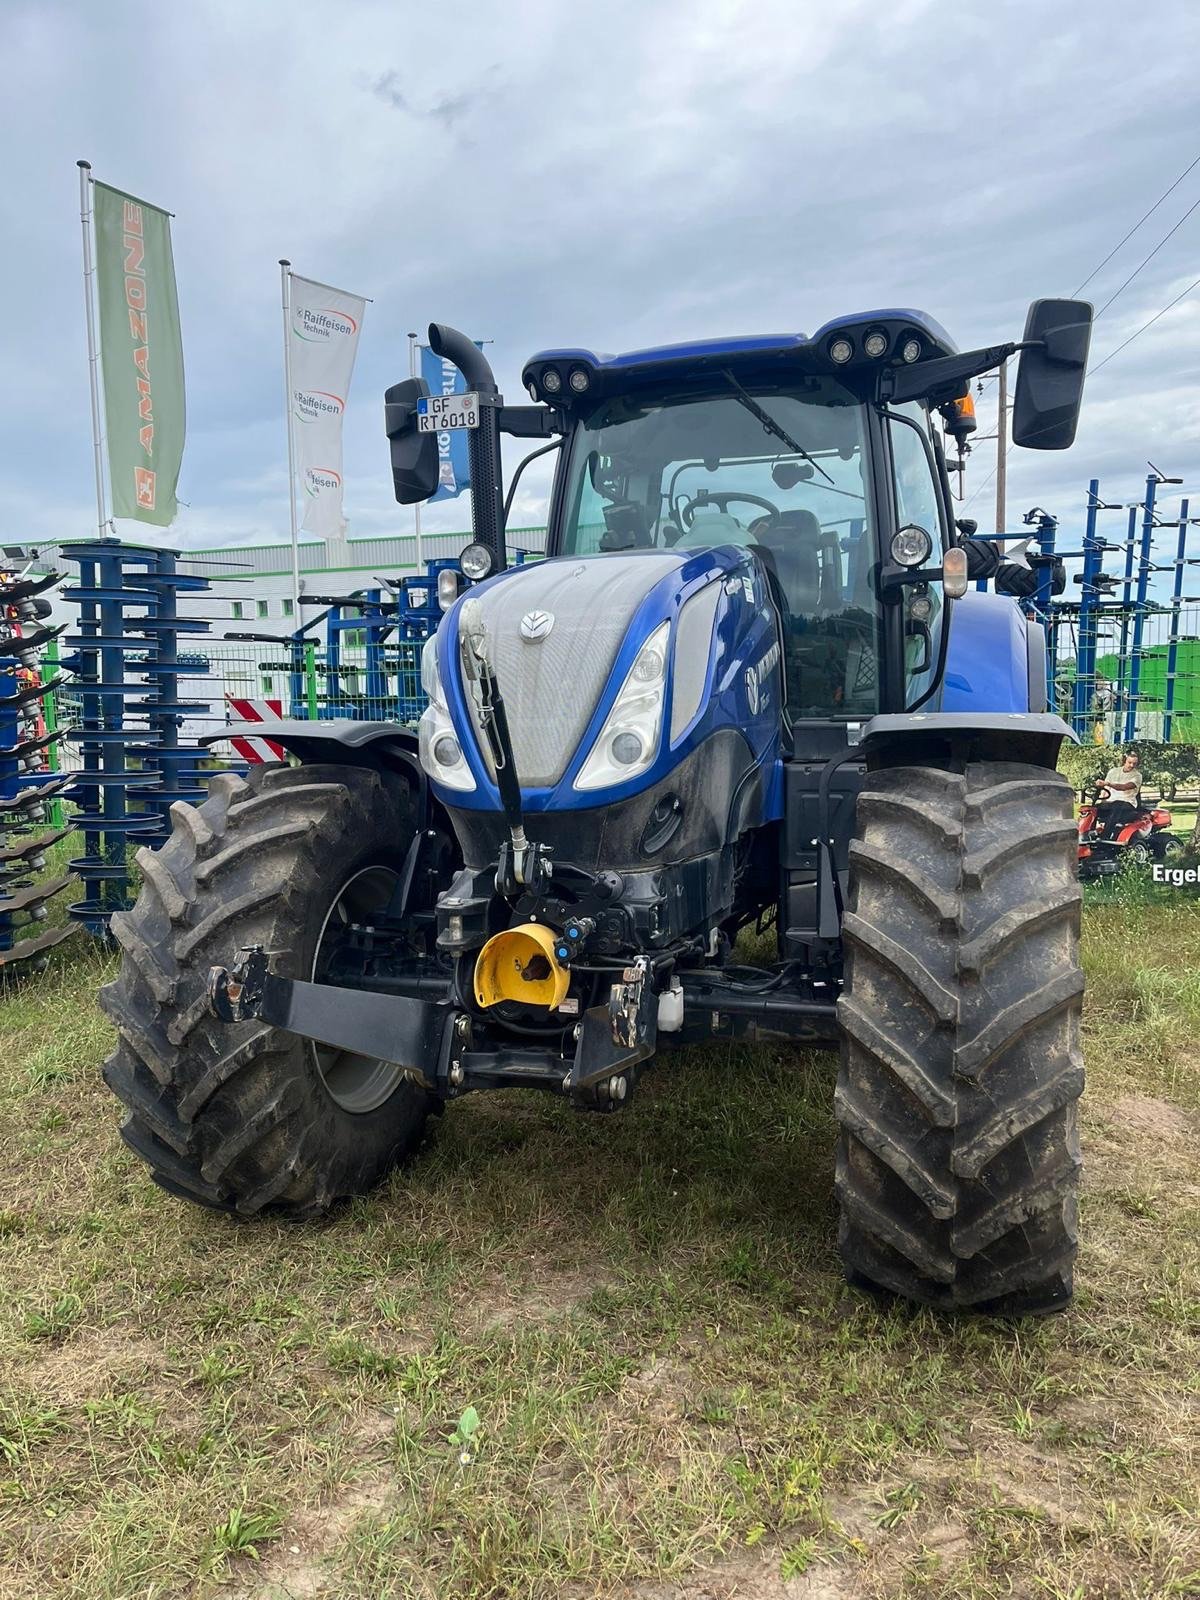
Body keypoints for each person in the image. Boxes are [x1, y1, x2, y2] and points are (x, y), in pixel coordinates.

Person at [1094, 750, 1143, 839]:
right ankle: (1088, 833)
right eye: (1130, 762)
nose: (1132, 765)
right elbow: (1105, 790)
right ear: (1124, 760)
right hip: (1111, 802)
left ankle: (1105, 836)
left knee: (1117, 805)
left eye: (1134, 763)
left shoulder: (1137, 776)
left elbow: (1124, 787)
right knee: (1093, 809)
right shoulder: (1113, 772)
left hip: (1128, 803)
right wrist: (1101, 801)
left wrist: (1107, 783)